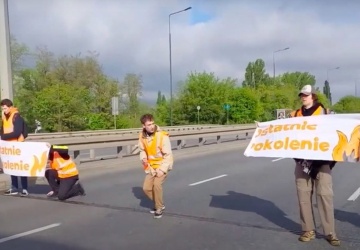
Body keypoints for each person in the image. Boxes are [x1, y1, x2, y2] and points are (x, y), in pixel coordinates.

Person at [289, 85, 340, 246]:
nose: (304, 97)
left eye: (306, 95)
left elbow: (335, 136)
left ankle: (330, 232)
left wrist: (331, 161)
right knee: (303, 196)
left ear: (313, 97)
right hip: (302, 161)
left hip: (322, 162)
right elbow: (286, 134)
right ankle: (308, 230)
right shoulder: (295, 115)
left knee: (325, 197)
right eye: (302, 95)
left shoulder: (325, 114)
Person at [138, 114, 173, 219]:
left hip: (162, 165)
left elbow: (168, 155)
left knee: (157, 185)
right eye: (149, 124)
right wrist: (143, 158)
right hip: (151, 167)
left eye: (153, 123)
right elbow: (142, 150)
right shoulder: (142, 136)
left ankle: (158, 208)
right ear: (144, 126)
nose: (152, 126)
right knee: (146, 188)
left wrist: (162, 169)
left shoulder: (162, 136)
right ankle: (160, 204)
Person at [1, 98, 29, 196]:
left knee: (20, 168)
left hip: (18, 146)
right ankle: (15, 187)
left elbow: (17, 132)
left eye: (5, 108)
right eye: (2, 109)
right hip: (9, 147)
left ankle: (24, 188)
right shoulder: (5, 118)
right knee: (12, 167)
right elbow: (3, 131)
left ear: (10, 107)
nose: (3, 110)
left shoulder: (16, 117)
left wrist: (3, 137)